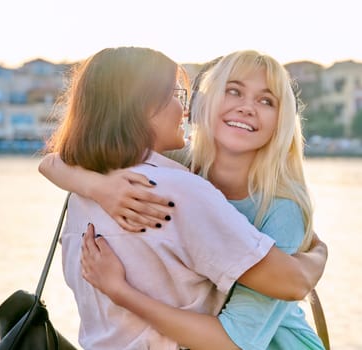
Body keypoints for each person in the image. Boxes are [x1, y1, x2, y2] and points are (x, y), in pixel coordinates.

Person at [40, 47, 327, 350]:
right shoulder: (183, 168)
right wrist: (99, 186)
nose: (247, 108)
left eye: (266, 101)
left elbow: (253, 325)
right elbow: (53, 162)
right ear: (206, 100)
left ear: (281, 121)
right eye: (233, 91)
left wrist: (318, 256)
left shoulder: (279, 208)